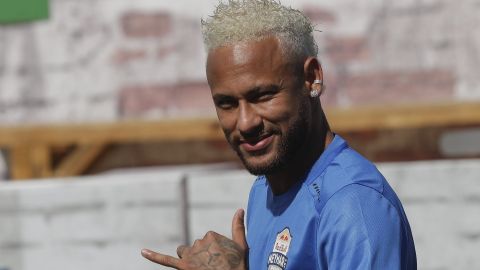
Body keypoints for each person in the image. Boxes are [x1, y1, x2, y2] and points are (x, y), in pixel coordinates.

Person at [141, 0, 417, 269]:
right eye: (227, 103)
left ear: (311, 78)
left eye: (263, 95)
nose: (246, 122)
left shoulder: (353, 205)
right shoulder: (264, 190)